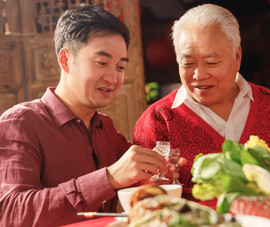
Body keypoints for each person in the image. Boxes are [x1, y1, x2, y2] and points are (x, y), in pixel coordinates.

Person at [134, 4, 270, 200]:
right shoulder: (158, 120)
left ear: (237, 56)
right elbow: (143, 200)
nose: (198, 74)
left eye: (211, 62)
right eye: (187, 63)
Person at [0, 4, 171, 227]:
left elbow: (136, 183)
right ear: (65, 60)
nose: (113, 78)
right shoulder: (20, 123)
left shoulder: (106, 129)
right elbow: (10, 213)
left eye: (120, 67)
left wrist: (159, 169)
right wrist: (108, 178)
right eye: (102, 63)